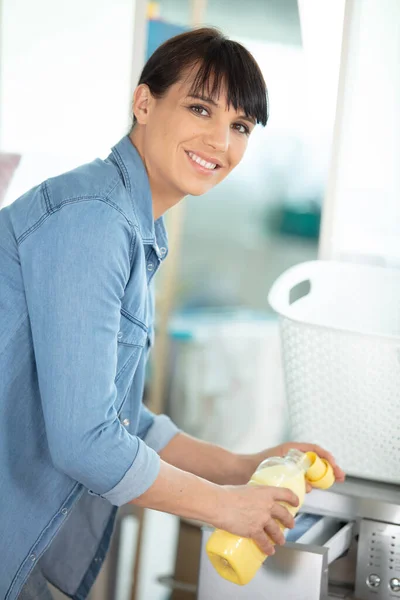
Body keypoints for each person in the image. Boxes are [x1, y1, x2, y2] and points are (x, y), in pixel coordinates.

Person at [0, 27, 345, 600]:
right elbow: (86, 441)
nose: (219, 141)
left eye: (239, 126)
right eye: (199, 108)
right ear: (143, 103)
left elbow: (124, 417)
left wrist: (241, 467)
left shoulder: (136, 227)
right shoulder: (94, 220)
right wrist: (226, 508)